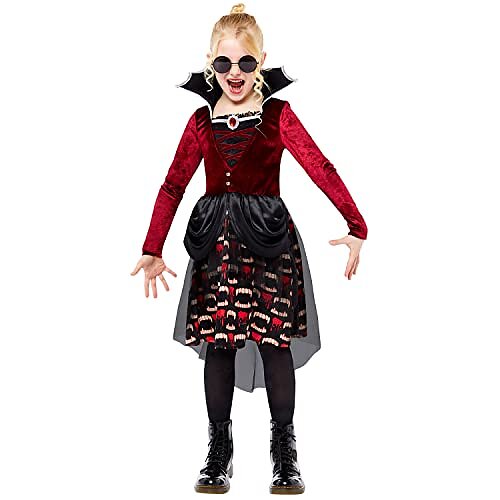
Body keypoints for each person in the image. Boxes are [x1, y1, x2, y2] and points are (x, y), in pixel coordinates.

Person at [131, 3, 368, 495]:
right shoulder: (201, 121)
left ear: (261, 62)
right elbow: (173, 184)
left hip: (269, 246)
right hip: (217, 249)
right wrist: (153, 246)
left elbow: (319, 166)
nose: (234, 73)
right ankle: (219, 451)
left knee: (275, 345)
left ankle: (285, 452)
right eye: (223, 63)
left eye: (244, 62)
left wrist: (356, 223)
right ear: (209, 63)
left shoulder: (277, 115)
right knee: (218, 347)